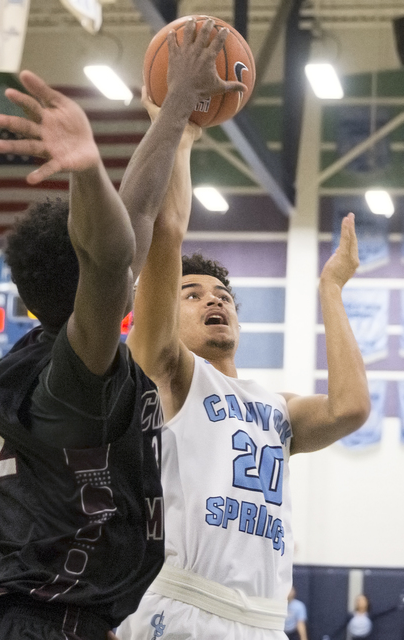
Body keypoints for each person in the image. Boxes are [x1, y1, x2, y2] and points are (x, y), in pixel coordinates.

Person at [0, 20, 245, 640]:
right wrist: (87, 172)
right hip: (38, 624)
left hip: (46, 616)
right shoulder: (73, 378)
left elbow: (129, 223)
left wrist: (172, 119)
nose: (134, 267)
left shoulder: (38, 359)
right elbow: (110, 258)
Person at [116, 95, 370, 638]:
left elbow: (350, 408)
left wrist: (331, 288)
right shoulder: (171, 376)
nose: (214, 300)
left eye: (223, 294)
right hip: (183, 606)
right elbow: (167, 232)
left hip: (263, 619)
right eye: (192, 293)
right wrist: (180, 134)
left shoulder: (275, 407)